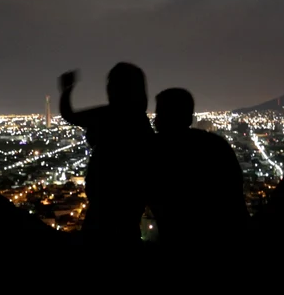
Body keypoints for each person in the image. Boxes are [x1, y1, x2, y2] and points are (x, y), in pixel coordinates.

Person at [58, 62, 154, 249]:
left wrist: (67, 90)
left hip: (105, 200)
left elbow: (69, 115)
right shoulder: (141, 122)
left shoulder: (111, 114)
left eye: (112, 84)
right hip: (130, 201)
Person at [147, 88, 249, 258]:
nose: (155, 122)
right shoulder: (216, 146)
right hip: (228, 245)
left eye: (159, 114)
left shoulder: (160, 151)